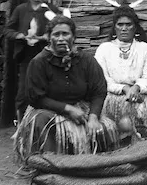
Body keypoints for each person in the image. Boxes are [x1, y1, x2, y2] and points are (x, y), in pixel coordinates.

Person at [13, 16, 120, 162]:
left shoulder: (86, 60)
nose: (61, 38)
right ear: (49, 38)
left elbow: (99, 91)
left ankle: (97, 163)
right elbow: (36, 98)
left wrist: (94, 117)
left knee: (107, 127)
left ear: (73, 37)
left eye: (65, 34)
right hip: (47, 110)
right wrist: (67, 109)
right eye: (56, 34)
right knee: (41, 121)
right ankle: (51, 164)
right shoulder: (39, 62)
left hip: (81, 107)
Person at [94, 5, 147, 134]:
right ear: (114, 27)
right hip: (112, 97)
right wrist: (123, 88)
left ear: (135, 27)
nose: (124, 28)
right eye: (120, 25)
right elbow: (101, 79)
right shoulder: (104, 49)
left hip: (141, 95)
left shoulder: (145, 49)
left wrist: (137, 88)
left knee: (146, 113)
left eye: (128, 24)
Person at [3, 0, 61, 120]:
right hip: (26, 57)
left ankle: (45, 123)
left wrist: (44, 37)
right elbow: (8, 30)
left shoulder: (51, 10)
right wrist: (21, 36)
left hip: (48, 57)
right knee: (23, 91)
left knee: (47, 90)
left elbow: (60, 31)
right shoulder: (21, 9)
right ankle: (21, 125)